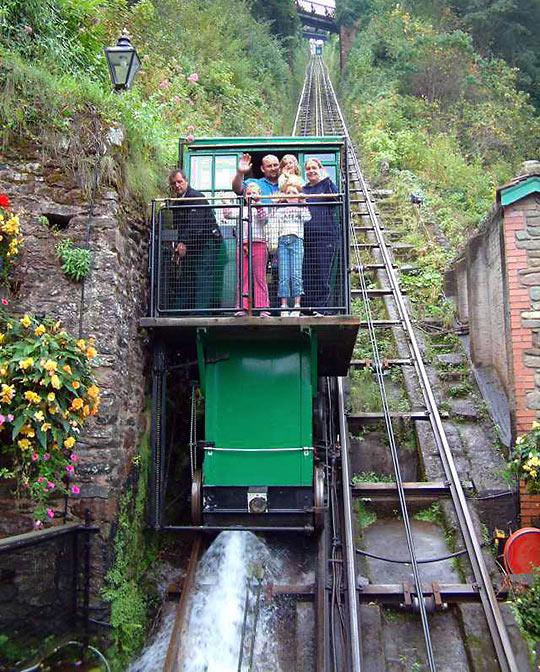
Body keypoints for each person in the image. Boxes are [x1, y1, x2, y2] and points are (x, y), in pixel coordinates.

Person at [163, 169, 223, 312]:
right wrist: (178, 244)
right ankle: (182, 310)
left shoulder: (196, 197)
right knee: (187, 275)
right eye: (174, 183)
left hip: (207, 242)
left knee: (203, 276)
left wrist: (183, 242)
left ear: (186, 181)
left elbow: (196, 224)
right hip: (193, 243)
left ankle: (200, 312)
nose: (177, 185)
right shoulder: (177, 203)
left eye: (179, 182)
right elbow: (179, 226)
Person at [224, 183, 270, 316]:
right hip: (242, 244)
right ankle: (242, 307)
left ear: (259, 194)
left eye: (254, 193)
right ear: (244, 196)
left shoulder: (263, 208)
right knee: (242, 276)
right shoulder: (241, 210)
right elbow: (228, 215)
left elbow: (264, 218)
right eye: (249, 194)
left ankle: (263, 307)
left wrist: (258, 204)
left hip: (259, 244)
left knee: (259, 276)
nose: (251, 196)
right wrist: (226, 201)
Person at [302, 158, 339, 313]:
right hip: (306, 236)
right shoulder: (303, 190)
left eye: (314, 168)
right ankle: (308, 308)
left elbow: (337, 197)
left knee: (323, 272)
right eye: (308, 168)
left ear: (320, 169)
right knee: (308, 273)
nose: (311, 171)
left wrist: (326, 178)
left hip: (325, 235)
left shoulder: (327, 184)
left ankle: (322, 308)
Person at [270, 176, 311, 317]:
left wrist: (304, 203)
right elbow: (273, 221)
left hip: (297, 240)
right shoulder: (281, 209)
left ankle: (297, 305)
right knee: (284, 274)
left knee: (296, 273)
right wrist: (274, 204)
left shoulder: (300, 208)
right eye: (289, 193)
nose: (291, 196)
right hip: (283, 241)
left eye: (294, 193)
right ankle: (284, 305)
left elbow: (307, 218)